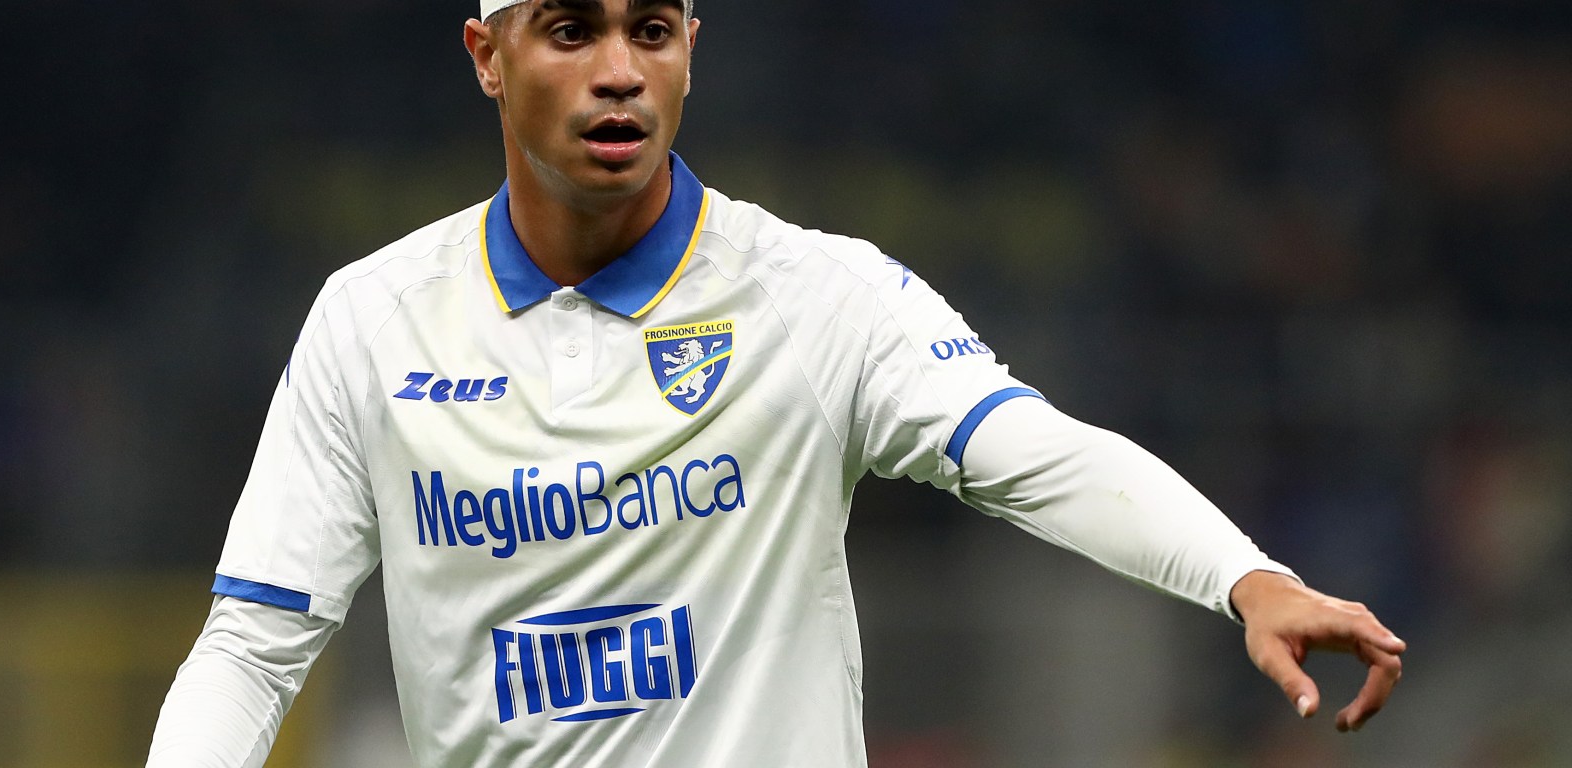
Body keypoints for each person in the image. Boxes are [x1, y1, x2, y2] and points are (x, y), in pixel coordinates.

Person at [146, 1, 1405, 765]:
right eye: (572, 31)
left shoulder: (818, 296)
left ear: (692, 49)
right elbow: (255, 643)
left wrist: (1245, 576)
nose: (619, 70)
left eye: (651, 31)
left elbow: (1036, 452)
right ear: (487, 54)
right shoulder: (373, 321)